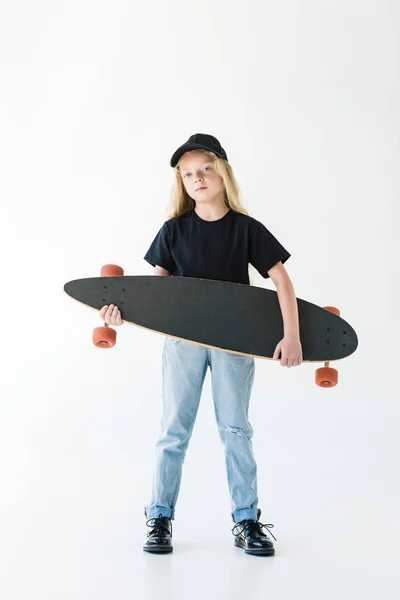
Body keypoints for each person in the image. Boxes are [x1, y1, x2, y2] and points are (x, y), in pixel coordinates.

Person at [99, 133, 303, 556]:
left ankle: (247, 520)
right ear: (182, 183)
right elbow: (155, 297)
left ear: (224, 173)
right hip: (183, 345)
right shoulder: (173, 231)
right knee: (173, 432)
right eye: (188, 173)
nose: (199, 178)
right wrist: (120, 312)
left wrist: (292, 335)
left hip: (234, 345)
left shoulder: (246, 229)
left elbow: (281, 281)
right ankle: (159, 518)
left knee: (235, 430)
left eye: (207, 168)